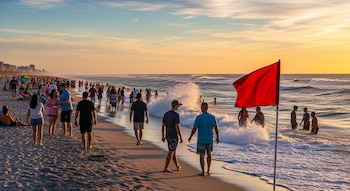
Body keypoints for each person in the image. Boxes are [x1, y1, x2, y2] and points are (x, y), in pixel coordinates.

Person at [188, 102, 219, 176]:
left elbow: (194, 128)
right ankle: (208, 170)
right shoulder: (212, 117)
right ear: (207, 108)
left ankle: (202, 171)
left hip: (201, 140)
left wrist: (190, 136)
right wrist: (218, 137)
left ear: (202, 108)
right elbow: (216, 128)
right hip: (209, 139)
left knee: (201, 156)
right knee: (209, 154)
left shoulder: (199, 117)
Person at [162, 100, 183, 173]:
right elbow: (177, 126)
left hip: (168, 135)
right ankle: (166, 167)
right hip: (173, 136)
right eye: (178, 105)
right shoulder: (176, 115)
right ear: (176, 106)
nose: (179, 107)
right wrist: (180, 136)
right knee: (171, 151)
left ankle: (177, 166)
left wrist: (163, 135)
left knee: (173, 151)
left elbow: (163, 125)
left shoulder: (166, 114)